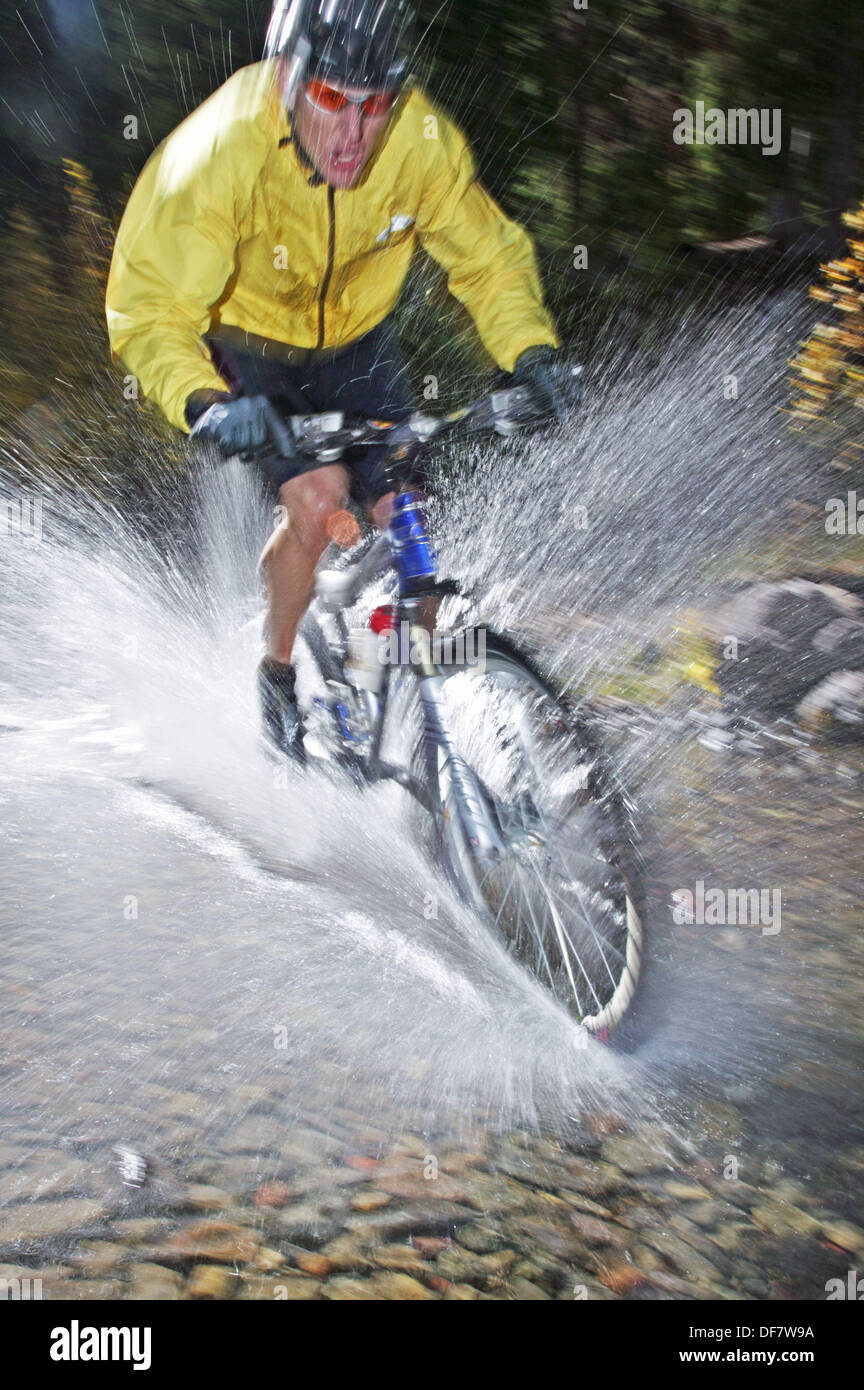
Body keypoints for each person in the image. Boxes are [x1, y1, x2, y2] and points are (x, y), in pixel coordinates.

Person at [105, 0, 561, 761]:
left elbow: (487, 256)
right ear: (289, 78)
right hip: (244, 341)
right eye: (330, 101)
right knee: (318, 503)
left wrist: (530, 352)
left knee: (405, 508)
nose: (353, 133)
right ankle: (278, 667)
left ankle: (425, 727)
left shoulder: (417, 141)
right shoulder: (221, 150)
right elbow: (150, 306)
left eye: (374, 104)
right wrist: (205, 403)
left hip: (356, 338)